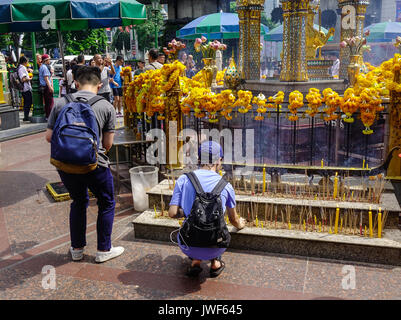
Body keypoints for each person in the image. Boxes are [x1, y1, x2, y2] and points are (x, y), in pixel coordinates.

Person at [45, 66, 124, 263]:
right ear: (99, 84)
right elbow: (107, 144)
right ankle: (103, 250)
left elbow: (48, 137)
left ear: (76, 83)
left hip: (66, 165)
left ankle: (77, 249)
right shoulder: (106, 106)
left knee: (78, 202)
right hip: (95, 165)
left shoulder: (61, 103)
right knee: (106, 202)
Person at [169, 141, 246, 277]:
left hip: (188, 245)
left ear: (199, 159)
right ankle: (215, 263)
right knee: (218, 227)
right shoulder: (226, 186)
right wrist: (241, 224)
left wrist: (189, 212)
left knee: (194, 227)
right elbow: (234, 220)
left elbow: (172, 213)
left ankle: (195, 261)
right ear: (219, 160)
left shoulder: (183, 179)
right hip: (216, 248)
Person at [17, 56, 33, 121]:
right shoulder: (21, 68)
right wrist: (31, 79)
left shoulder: (22, 67)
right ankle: (26, 117)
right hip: (25, 88)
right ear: (24, 62)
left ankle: (26, 116)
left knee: (28, 102)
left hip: (26, 88)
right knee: (28, 102)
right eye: (27, 62)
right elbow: (23, 79)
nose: (28, 63)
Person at [39, 54, 54, 119]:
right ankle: (50, 117)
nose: (49, 61)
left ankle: (48, 116)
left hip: (45, 87)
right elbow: (46, 79)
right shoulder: (44, 67)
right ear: (46, 60)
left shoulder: (42, 67)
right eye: (49, 59)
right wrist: (50, 87)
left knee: (48, 102)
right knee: (50, 102)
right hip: (46, 87)